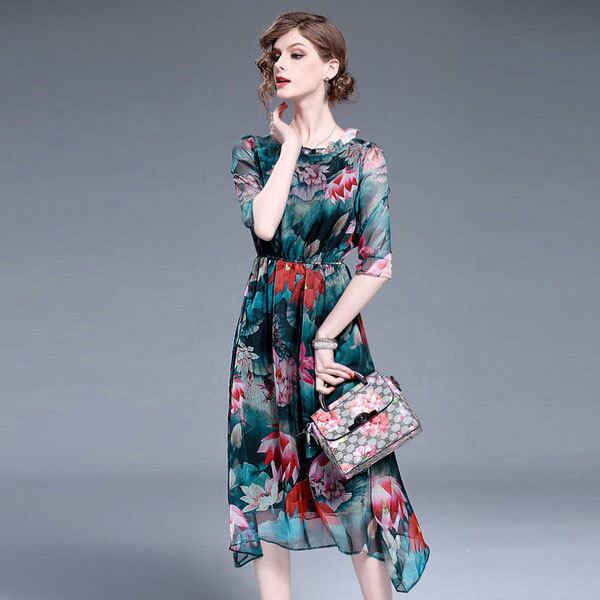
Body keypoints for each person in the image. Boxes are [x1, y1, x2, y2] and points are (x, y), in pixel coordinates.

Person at [227, 11, 430, 599]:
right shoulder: (253, 152)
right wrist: (290, 146)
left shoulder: (364, 157)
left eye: (296, 54)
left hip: (332, 333)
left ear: (330, 65)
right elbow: (266, 228)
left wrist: (324, 339)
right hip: (263, 333)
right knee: (264, 478)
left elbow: (377, 263)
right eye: (276, 56)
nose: (280, 65)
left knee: (356, 470)